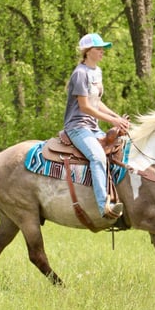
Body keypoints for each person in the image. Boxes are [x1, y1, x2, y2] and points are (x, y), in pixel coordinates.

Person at [64, 33, 130, 220]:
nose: (102, 51)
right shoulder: (80, 74)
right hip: (77, 126)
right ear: (87, 52)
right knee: (98, 157)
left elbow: (96, 102)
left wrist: (117, 117)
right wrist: (112, 121)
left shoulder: (97, 72)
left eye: (103, 48)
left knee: (118, 151)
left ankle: (120, 197)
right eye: (98, 48)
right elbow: (85, 106)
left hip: (92, 126)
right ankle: (104, 206)